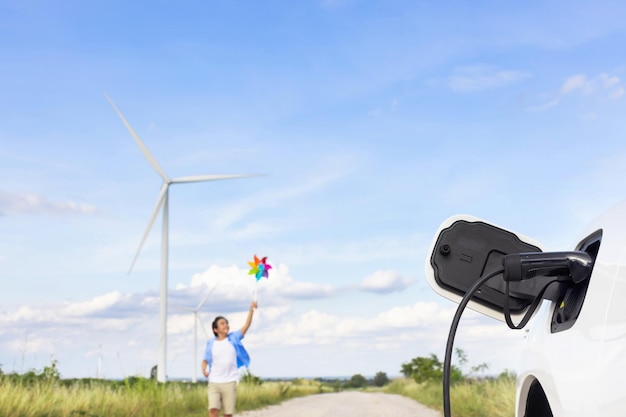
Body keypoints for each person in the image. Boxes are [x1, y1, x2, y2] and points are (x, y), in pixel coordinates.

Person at [201, 300, 257, 417]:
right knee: (213, 410)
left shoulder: (234, 338)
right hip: (214, 382)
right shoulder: (211, 343)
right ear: (216, 329)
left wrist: (251, 310)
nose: (226, 325)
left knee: (228, 414)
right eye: (222, 323)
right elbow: (205, 359)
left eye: (226, 323)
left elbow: (246, 326)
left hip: (229, 382)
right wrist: (204, 369)